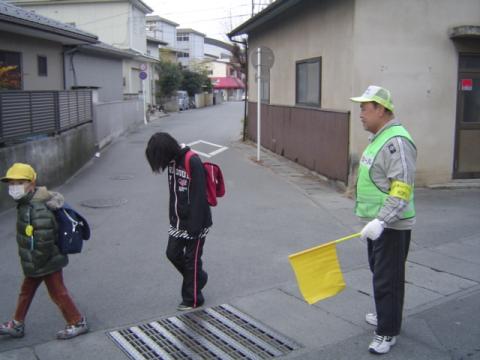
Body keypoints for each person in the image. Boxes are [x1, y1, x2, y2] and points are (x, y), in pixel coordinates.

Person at [350, 86, 416, 355]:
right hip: (376, 224)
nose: (361, 115)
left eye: (365, 109)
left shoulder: (396, 142)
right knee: (380, 273)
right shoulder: (378, 138)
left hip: (390, 225)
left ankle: (387, 332)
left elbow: (402, 187)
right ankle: (384, 314)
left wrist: (381, 220)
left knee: (388, 279)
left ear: (380, 109)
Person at [0, 163, 88, 340]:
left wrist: (35, 263)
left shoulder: (37, 207)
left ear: (31, 183)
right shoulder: (26, 203)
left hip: (46, 261)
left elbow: (44, 240)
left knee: (57, 292)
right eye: (11, 183)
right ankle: (17, 323)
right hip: (37, 260)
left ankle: (77, 321)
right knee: (27, 291)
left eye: (19, 183)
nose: (14, 187)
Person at [146, 133, 212, 311]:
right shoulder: (172, 162)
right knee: (172, 254)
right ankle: (199, 278)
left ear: (166, 151)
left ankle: (193, 299)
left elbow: (199, 196)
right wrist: (173, 217)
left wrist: (194, 227)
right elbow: (174, 194)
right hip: (178, 222)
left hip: (196, 223)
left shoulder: (193, 161)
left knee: (192, 260)